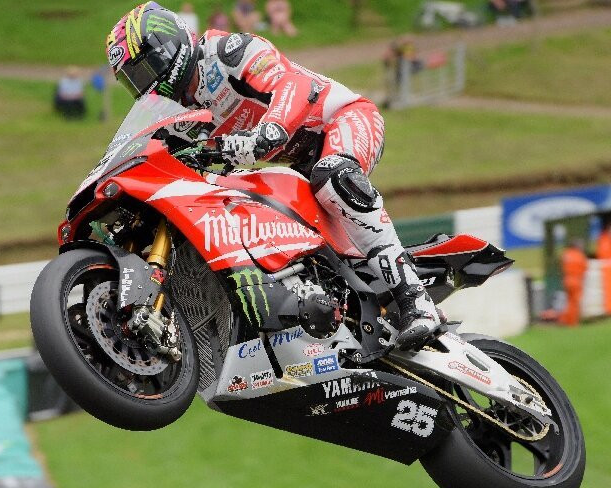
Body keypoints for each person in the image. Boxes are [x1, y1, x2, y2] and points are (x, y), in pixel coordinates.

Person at [105, 3, 444, 349]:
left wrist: (268, 132)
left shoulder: (227, 51)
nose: (145, 85)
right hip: (297, 167)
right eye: (134, 81)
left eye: (145, 70)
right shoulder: (178, 113)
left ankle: (417, 303)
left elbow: (292, 84)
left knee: (333, 175)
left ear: (169, 47)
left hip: (341, 119)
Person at [558, 238, 588, 326]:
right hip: (576, 280)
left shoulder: (566, 254)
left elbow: (561, 267)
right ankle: (572, 322)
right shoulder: (580, 255)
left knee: (569, 301)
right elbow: (584, 268)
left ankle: (565, 319)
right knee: (575, 302)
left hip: (567, 279)